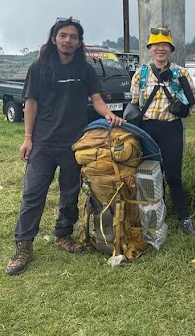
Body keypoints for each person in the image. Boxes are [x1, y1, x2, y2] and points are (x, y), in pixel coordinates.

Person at [6, 17, 123, 275]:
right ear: (54, 38)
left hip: (75, 143)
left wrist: (109, 115)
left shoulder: (85, 70)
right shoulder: (39, 68)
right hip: (43, 142)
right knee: (33, 194)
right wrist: (27, 138)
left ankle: (63, 235)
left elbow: (97, 99)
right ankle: (23, 246)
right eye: (63, 36)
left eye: (73, 37)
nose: (68, 40)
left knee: (70, 192)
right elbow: (31, 105)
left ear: (79, 42)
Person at [129, 27, 195, 236]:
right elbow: (134, 102)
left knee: (174, 176)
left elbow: (193, 103)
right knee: (149, 176)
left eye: (165, 45)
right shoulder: (141, 74)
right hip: (147, 129)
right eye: (156, 45)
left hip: (171, 128)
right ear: (150, 48)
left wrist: (182, 106)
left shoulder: (180, 73)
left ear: (171, 49)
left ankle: (183, 219)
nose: (161, 48)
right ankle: (153, 217)